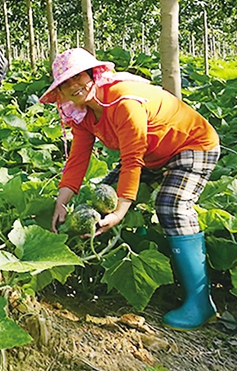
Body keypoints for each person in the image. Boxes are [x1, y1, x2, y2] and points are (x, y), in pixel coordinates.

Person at [42, 48, 220, 330]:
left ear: (94, 75)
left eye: (79, 77)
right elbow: (77, 160)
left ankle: (200, 301)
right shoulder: (84, 116)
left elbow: (132, 157)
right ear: (60, 92)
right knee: (99, 198)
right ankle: (154, 262)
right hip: (153, 152)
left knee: (171, 206)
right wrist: (62, 201)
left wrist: (122, 209)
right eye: (65, 83)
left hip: (191, 145)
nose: (74, 86)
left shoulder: (122, 100)